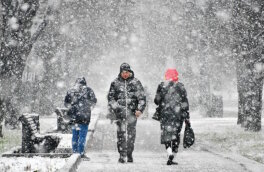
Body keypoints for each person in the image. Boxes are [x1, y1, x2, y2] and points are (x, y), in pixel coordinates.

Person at [107, 63, 146, 163]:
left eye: (127, 72)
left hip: (132, 114)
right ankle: (122, 154)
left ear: (130, 72)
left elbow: (142, 98)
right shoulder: (115, 83)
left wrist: (140, 109)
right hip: (119, 114)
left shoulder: (136, 82)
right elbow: (111, 98)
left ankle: (129, 153)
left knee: (131, 135)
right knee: (121, 134)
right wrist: (115, 107)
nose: (125, 74)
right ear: (120, 72)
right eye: (124, 72)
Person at [154, 68, 190, 165]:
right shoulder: (181, 86)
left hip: (165, 115)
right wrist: (187, 116)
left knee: (166, 135)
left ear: (166, 76)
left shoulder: (162, 86)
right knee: (176, 135)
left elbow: (156, 101)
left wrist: (161, 99)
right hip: (178, 115)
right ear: (176, 76)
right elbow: (185, 103)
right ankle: (173, 155)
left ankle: (169, 152)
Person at [64, 77, 97, 160]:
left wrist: (72, 109)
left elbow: (66, 103)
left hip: (74, 118)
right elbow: (94, 101)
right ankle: (81, 153)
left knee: (75, 135)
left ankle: (75, 153)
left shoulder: (71, 90)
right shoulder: (89, 90)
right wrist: (88, 107)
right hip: (84, 117)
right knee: (82, 136)